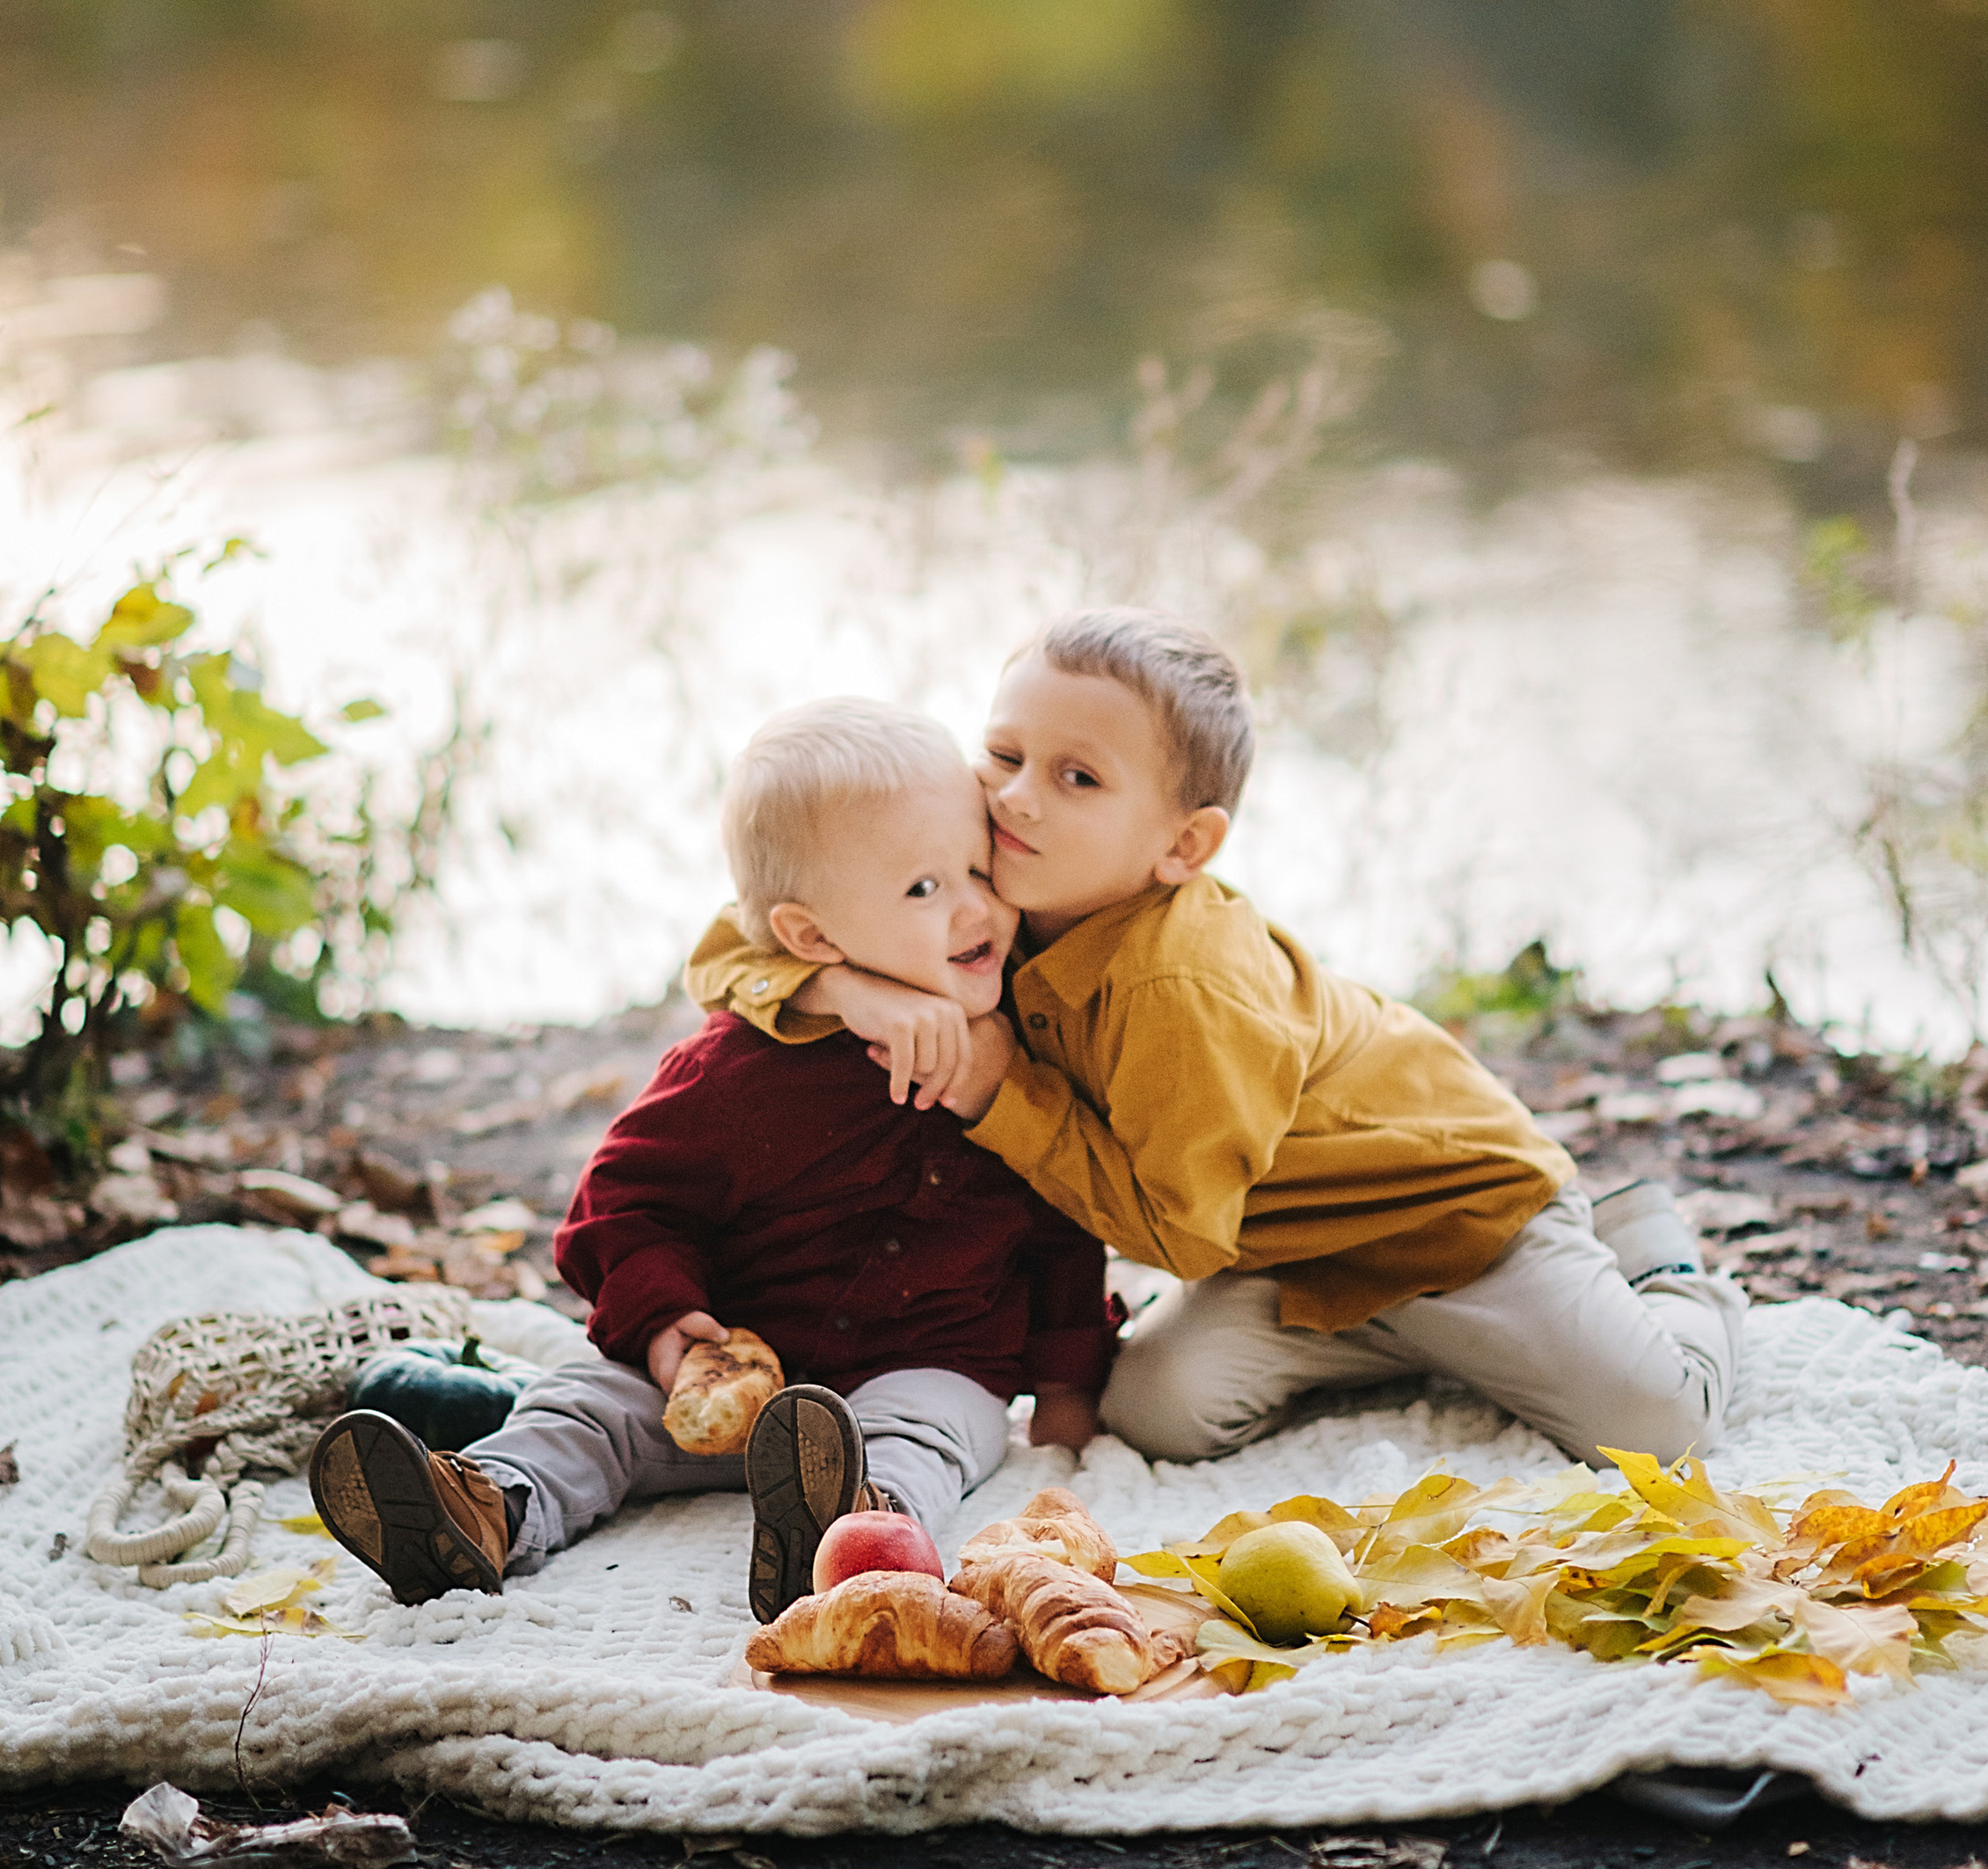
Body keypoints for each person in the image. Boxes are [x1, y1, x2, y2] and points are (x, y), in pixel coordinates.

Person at [691, 611, 1743, 1470]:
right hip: (1283, 1247)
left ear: (1182, 846)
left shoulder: (1183, 983)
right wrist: (844, 988)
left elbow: (1178, 1243)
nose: (1014, 796)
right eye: (1005, 754)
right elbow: (722, 951)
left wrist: (1001, 1088)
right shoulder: (986, 902)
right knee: (1157, 1410)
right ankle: (1400, 1352)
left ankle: (1649, 1253)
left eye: (1077, 778)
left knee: (1661, 1431)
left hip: (1461, 1224)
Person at [308, 701, 1112, 1617]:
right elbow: (620, 1203)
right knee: (587, 1407)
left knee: (924, 1432)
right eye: (924, 889)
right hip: (733, 1354)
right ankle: (482, 1507)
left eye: (978, 866)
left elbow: (1061, 1217)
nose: (976, 906)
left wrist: (1064, 1388)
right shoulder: (737, 1070)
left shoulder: (1024, 1043)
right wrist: (664, 1322)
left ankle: (848, 1529)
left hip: (929, 1356)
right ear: (810, 939)